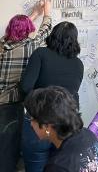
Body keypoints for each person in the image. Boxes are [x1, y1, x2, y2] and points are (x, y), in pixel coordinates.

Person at [21, 21, 84, 172]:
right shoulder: (78, 64)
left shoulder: (40, 54)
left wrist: (40, 105)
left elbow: (25, 87)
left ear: (53, 35)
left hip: (39, 122)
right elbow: (72, 94)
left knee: (35, 166)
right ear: (74, 40)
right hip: (66, 127)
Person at [0, 0, 52, 172]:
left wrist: (33, 14)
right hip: (11, 105)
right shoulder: (30, 47)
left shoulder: (2, 45)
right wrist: (46, 13)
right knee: (9, 146)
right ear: (27, 31)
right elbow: (44, 32)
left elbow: (16, 32)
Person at [24, 86, 98, 172]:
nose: (31, 124)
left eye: (32, 118)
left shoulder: (58, 166)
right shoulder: (88, 134)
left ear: (47, 126)